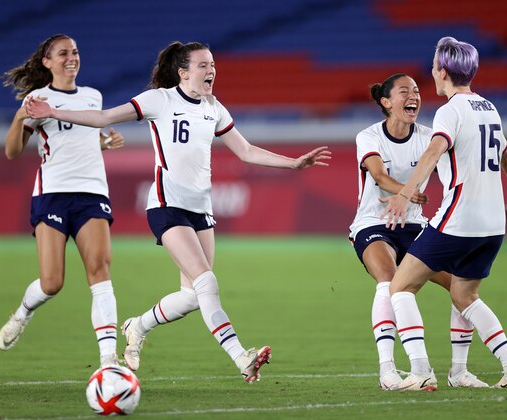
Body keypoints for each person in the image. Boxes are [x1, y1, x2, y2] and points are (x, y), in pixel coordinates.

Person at [26, 41, 331, 383]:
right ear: (183, 72)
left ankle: (137, 326)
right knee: (207, 283)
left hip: (201, 210)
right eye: (203, 65)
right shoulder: (160, 100)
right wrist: (53, 112)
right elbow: (103, 117)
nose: (211, 70)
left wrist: (294, 163)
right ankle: (241, 357)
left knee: (191, 296)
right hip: (167, 206)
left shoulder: (214, 107)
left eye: (212, 64)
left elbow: (245, 151)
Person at [380, 36, 507, 391]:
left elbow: (436, 149)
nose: (432, 73)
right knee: (464, 296)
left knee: (400, 287)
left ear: (443, 71)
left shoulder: (450, 110)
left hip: (458, 220)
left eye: (434, 67)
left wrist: (404, 192)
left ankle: (419, 371)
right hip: (492, 225)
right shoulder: (488, 107)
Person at [349, 73, 506, 390]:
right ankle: (388, 370)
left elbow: (467, 163)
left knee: (460, 288)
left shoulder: (429, 136)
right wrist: (405, 191)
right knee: (389, 280)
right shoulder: (368, 137)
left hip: (416, 226)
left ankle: (459, 371)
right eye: (405, 91)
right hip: (373, 223)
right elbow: (378, 175)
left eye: (417, 90)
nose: (415, 96)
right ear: (386, 101)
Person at [0, 34, 125, 368]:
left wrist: (104, 143)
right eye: (64, 53)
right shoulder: (37, 99)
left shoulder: (92, 96)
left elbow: (80, 137)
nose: (72, 58)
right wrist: (19, 117)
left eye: (76, 52)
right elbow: (12, 153)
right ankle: (24, 313)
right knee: (52, 282)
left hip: (92, 193)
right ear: (47, 62)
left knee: (100, 270)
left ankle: (108, 359)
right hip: (52, 194)